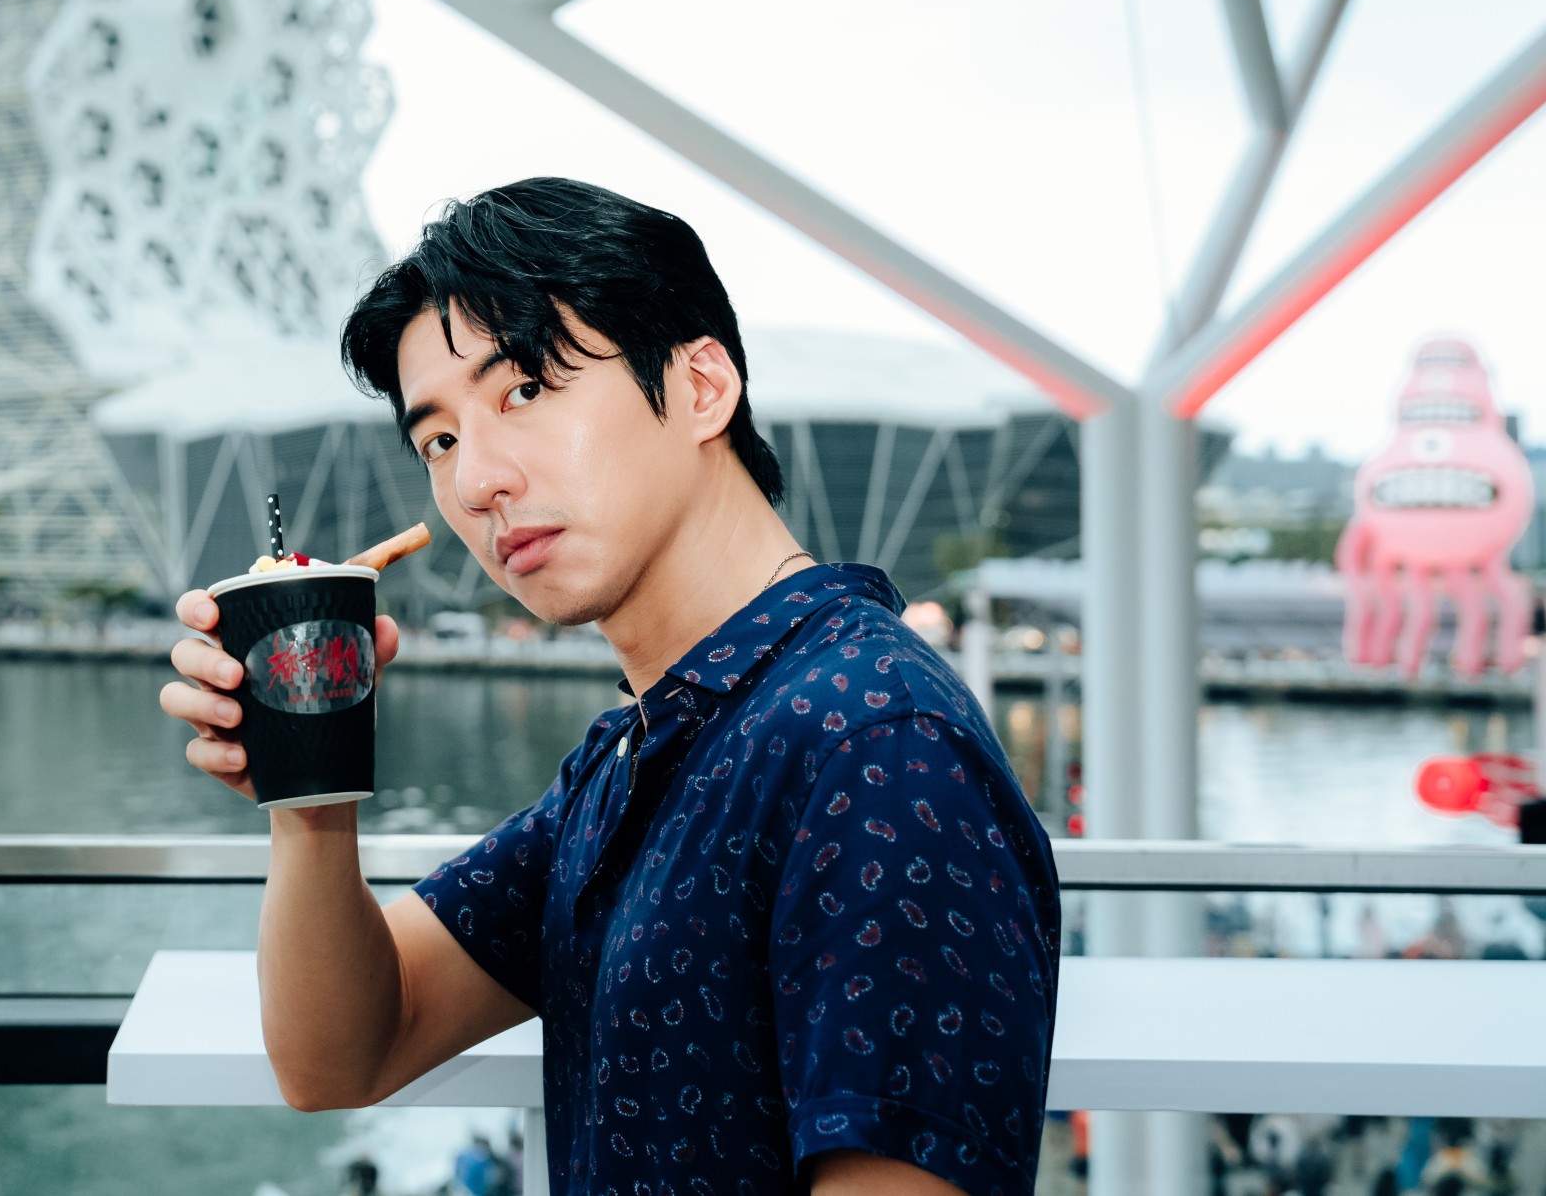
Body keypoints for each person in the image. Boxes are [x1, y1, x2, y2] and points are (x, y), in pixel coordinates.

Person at [161, 179, 1061, 1194]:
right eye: (439, 440)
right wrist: (307, 793)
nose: (476, 482)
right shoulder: (638, 752)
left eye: (525, 390)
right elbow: (344, 1052)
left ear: (701, 387)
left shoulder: (874, 743)